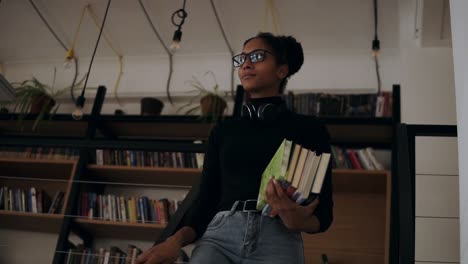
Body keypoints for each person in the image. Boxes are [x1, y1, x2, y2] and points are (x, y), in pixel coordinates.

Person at [136, 32, 333, 264]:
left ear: (282, 70)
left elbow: (323, 213)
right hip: (219, 236)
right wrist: (174, 242)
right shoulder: (223, 130)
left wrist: (297, 220)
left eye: (258, 56)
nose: (246, 64)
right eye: (241, 59)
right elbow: (205, 200)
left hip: (278, 239)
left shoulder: (310, 130)